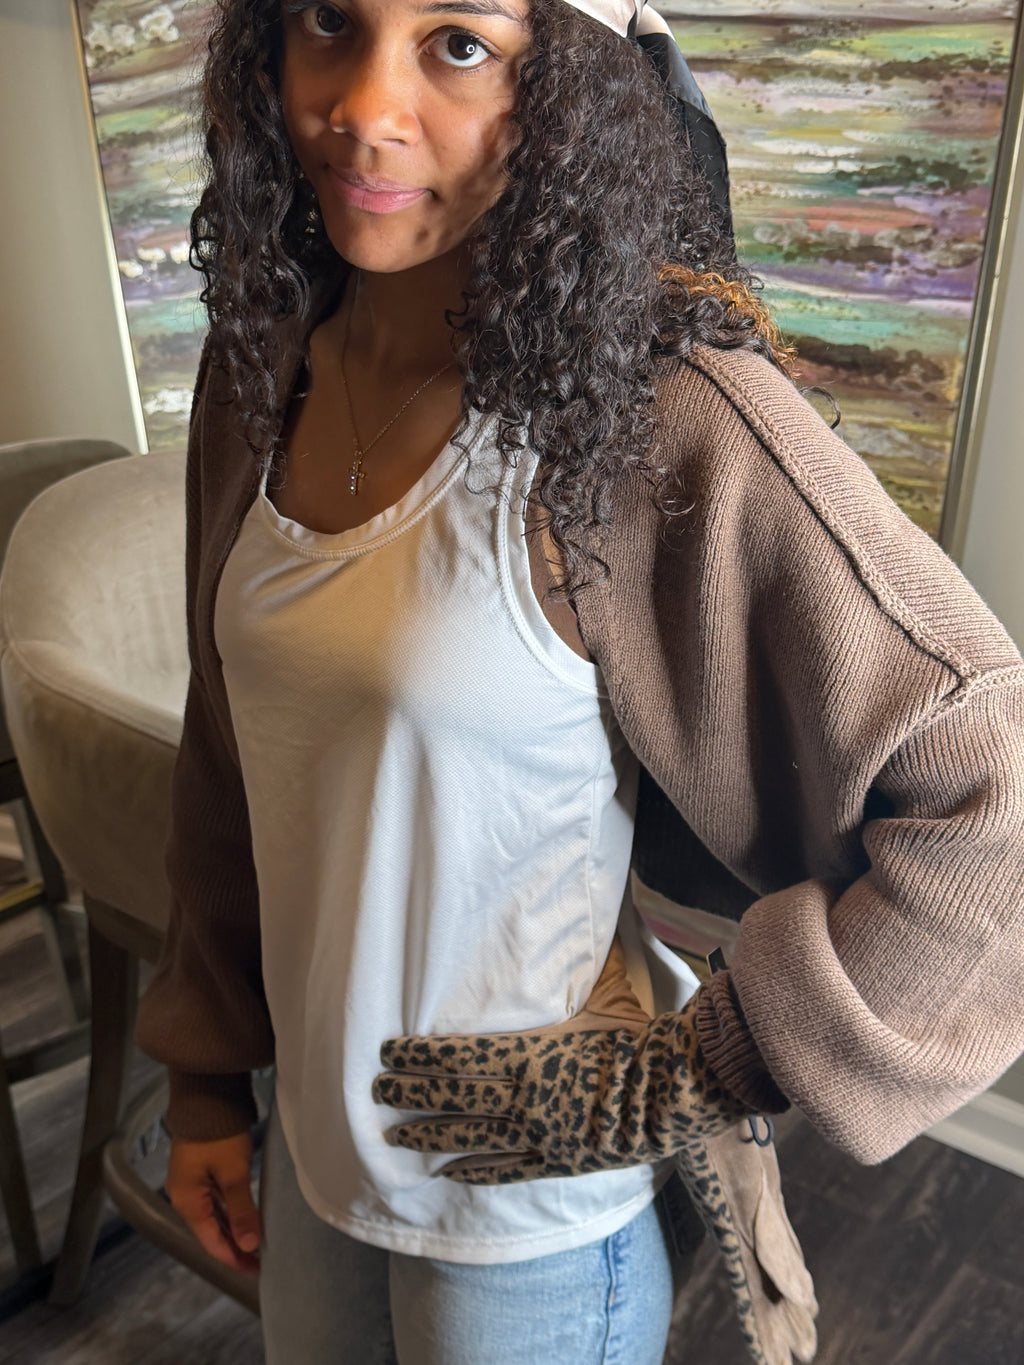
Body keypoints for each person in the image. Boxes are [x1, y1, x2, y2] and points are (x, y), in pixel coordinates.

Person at [135, 0, 1024, 1362]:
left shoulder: (644, 410)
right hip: (318, 1148)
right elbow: (225, 744)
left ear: (573, 88)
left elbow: (994, 798)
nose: (364, 109)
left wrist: (702, 1065)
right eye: (329, 22)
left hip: (535, 1226)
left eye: (459, 43)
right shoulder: (257, 373)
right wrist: (205, 1066)